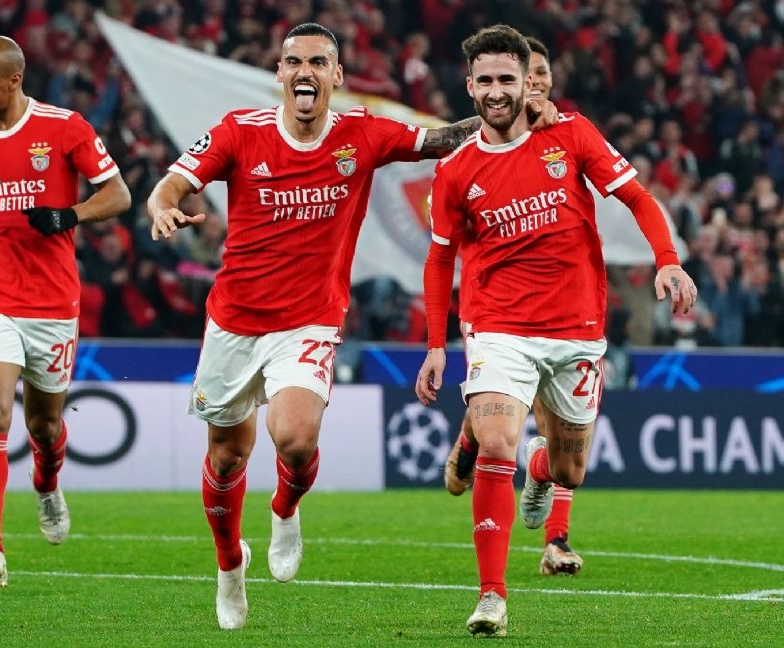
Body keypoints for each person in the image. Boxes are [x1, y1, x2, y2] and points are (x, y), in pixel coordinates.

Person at [147, 22, 556, 631]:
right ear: (280, 73)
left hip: (309, 320)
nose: (305, 71)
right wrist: (162, 204)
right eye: (294, 61)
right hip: (233, 323)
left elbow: (441, 139)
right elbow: (174, 183)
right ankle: (230, 564)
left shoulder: (361, 133)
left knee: (294, 438)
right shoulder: (240, 130)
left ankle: (285, 507)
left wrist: (513, 109)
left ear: (336, 76)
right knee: (227, 458)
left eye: (318, 62)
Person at [415, 25, 696, 637]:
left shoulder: (570, 135)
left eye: (507, 79)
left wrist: (667, 259)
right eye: (485, 81)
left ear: (528, 83)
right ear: (469, 87)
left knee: (570, 471)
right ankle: (492, 597)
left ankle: (539, 468)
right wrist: (436, 345)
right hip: (498, 327)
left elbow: (638, 197)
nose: (496, 91)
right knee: (498, 442)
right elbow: (439, 261)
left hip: (576, 329)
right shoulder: (455, 170)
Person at [0, 35, 131, 590]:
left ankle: (46, 483)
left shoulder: (64, 127)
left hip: (51, 302)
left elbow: (118, 195)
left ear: (13, 80)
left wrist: (69, 215)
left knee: (43, 425)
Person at [441, 36, 587, 578]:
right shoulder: (478, 146)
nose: (537, 83)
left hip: (564, 310)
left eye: (542, 75)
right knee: (517, 426)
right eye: (533, 74)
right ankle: (553, 540)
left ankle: (515, 468)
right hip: (493, 311)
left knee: (564, 445)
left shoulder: (562, 138)